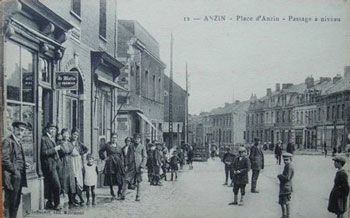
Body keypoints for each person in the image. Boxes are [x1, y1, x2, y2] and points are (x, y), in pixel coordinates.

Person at [2, 121, 30, 218]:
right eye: (18, 129)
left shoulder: (18, 142)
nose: (20, 132)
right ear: (13, 129)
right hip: (12, 177)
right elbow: (4, 160)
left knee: (16, 201)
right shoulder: (7, 141)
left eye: (22, 131)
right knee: (10, 202)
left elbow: (15, 158)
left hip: (18, 177)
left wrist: (24, 164)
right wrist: (15, 170)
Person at [40, 123, 62, 210]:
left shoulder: (52, 139)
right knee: (57, 185)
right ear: (47, 129)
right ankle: (57, 204)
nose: (53, 131)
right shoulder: (43, 139)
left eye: (54, 129)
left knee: (51, 185)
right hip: (49, 165)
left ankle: (50, 203)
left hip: (55, 165)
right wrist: (54, 149)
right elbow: (43, 153)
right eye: (51, 129)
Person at [99, 133, 125, 199]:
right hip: (110, 163)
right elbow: (101, 151)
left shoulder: (119, 147)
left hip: (118, 163)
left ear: (117, 139)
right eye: (113, 137)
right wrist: (104, 158)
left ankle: (119, 190)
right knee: (110, 177)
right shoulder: (107, 145)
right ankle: (111, 190)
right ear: (111, 138)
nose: (114, 139)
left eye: (115, 138)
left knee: (120, 177)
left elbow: (122, 155)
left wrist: (122, 162)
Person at [121, 134, 147, 201]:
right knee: (126, 180)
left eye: (138, 139)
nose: (137, 140)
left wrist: (142, 166)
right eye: (135, 139)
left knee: (139, 181)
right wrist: (126, 165)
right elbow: (127, 156)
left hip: (139, 167)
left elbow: (145, 157)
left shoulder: (142, 147)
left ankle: (138, 196)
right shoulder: (131, 146)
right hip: (131, 166)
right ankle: (123, 195)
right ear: (134, 139)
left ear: (140, 139)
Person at [59, 128, 76, 208]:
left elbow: (73, 151)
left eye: (67, 134)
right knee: (63, 180)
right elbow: (63, 151)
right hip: (62, 162)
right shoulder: (59, 143)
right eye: (64, 134)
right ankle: (62, 199)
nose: (66, 136)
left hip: (69, 162)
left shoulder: (69, 143)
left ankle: (71, 200)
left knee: (71, 180)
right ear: (62, 135)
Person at [71, 128, 88, 205]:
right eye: (74, 134)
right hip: (71, 162)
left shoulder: (79, 143)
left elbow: (86, 149)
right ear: (71, 135)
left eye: (77, 135)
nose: (75, 136)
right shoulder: (69, 143)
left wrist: (80, 153)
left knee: (78, 180)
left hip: (78, 162)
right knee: (73, 180)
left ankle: (80, 198)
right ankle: (72, 198)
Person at [277, 153, 294, 218]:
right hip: (284, 187)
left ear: (290, 159)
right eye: (284, 160)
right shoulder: (287, 166)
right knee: (281, 202)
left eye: (287, 160)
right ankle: (284, 215)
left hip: (286, 187)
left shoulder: (289, 167)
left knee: (286, 202)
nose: (285, 161)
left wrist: (280, 176)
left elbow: (287, 178)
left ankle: (287, 216)